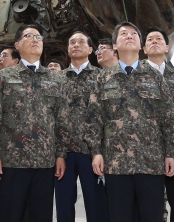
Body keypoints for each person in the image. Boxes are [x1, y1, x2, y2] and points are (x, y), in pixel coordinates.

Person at [87, 22, 174, 222]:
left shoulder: (155, 76)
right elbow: (94, 119)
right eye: (123, 34)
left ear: (140, 46)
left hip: (151, 162)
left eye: (134, 34)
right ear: (115, 46)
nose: (129, 36)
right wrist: (96, 153)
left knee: (152, 215)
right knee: (119, 216)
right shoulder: (102, 79)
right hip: (116, 163)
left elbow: (169, 118)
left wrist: (171, 153)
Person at [0, 24, 70, 222]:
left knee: (39, 216)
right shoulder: (4, 77)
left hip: (44, 164)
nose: (35, 40)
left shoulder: (56, 79)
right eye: (29, 36)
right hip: (10, 162)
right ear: (17, 44)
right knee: (8, 215)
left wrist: (61, 155)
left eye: (39, 37)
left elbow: (62, 120)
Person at [55, 31, 107, 222]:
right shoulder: (57, 79)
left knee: (96, 205)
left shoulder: (102, 77)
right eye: (72, 42)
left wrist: (99, 150)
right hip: (64, 153)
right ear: (68, 49)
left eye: (81, 42)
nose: (76, 45)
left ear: (91, 49)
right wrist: (58, 153)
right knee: (63, 205)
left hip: (92, 153)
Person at [141, 26, 174, 222]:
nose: (154, 41)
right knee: (150, 204)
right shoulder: (136, 77)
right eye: (149, 39)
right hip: (145, 151)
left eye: (158, 39)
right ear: (143, 49)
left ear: (167, 47)